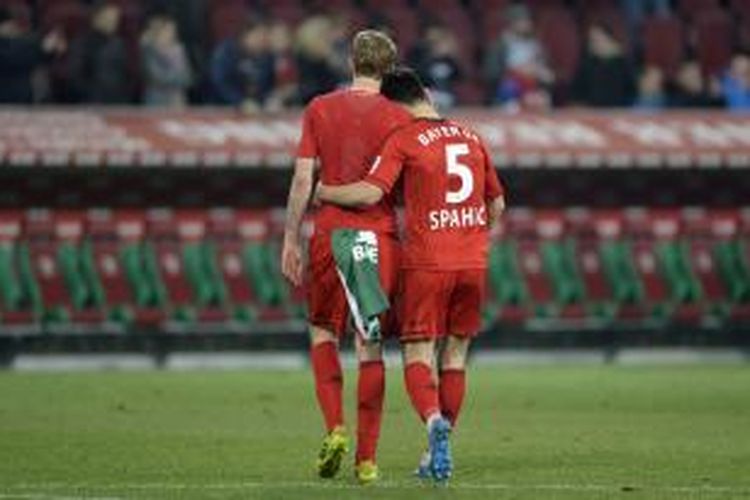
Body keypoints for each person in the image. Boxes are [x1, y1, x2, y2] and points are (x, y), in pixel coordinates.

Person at [315, 67, 506, 482]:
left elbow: (370, 192)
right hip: (473, 260)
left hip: (427, 262)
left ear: (398, 105)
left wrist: (324, 192)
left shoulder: (405, 138)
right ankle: (437, 448)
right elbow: (497, 205)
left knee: (418, 354)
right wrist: (469, 234)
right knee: (456, 355)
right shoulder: (472, 137)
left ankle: (434, 418)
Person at [280, 30, 411, 484]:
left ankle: (334, 426)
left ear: (351, 62)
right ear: (390, 69)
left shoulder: (320, 107)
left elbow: (302, 181)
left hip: (330, 236)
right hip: (378, 238)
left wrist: (290, 238)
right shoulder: (400, 117)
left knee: (321, 332)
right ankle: (367, 460)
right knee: (369, 344)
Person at [483, 4, 553, 108]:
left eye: (528, 21)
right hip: (509, 90)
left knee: (543, 98)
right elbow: (491, 74)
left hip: (533, 88)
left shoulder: (535, 44)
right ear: (512, 23)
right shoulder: (499, 45)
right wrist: (517, 72)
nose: (527, 24)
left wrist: (541, 72)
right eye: (522, 21)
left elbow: (543, 68)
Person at [67, 1, 132, 104]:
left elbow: (125, 73)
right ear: (96, 19)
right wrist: (91, 93)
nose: (113, 23)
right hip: (91, 102)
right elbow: (75, 75)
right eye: (108, 19)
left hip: (117, 101)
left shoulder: (119, 44)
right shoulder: (82, 43)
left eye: (115, 19)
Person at [0, 6, 66, 104]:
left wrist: (48, 49)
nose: (13, 28)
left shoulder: (21, 42)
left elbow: (29, 52)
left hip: (20, 100)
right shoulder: (9, 45)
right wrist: (43, 49)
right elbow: (12, 59)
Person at [210, 21, 274, 111]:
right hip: (221, 106)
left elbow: (267, 85)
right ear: (246, 35)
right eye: (259, 35)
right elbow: (220, 83)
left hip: (256, 109)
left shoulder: (267, 57)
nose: (263, 40)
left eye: (265, 37)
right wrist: (240, 101)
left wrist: (267, 99)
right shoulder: (227, 53)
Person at [570, 22, 635, 107]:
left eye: (600, 39)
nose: (596, 43)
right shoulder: (586, 65)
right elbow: (576, 95)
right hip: (591, 112)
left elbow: (631, 92)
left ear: (610, 40)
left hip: (618, 111)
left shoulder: (622, 63)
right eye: (593, 40)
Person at [140, 13, 192, 107]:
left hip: (177, 101)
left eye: (172, 31)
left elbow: (187, 77)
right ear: (158, 32)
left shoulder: (179, 51)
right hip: (156, 101)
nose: (171, 34)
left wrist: (176, 78)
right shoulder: (149, 51)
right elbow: (156, 77)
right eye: (167, 30)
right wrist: (177, 77)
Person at [408, 22, 463, 108]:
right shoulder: (419, 55)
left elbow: (460, 76)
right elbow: (418, 76)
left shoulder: (448, 61)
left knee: (447, 100)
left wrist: (450, 57)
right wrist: (432, 58)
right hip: (426, 94)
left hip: (446, 96)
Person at [294, 16, 346, 104]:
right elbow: (311, 90)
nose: (330, 37)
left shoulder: (332, 54)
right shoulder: (305, 58)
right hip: (313, 101)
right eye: (325, 34)